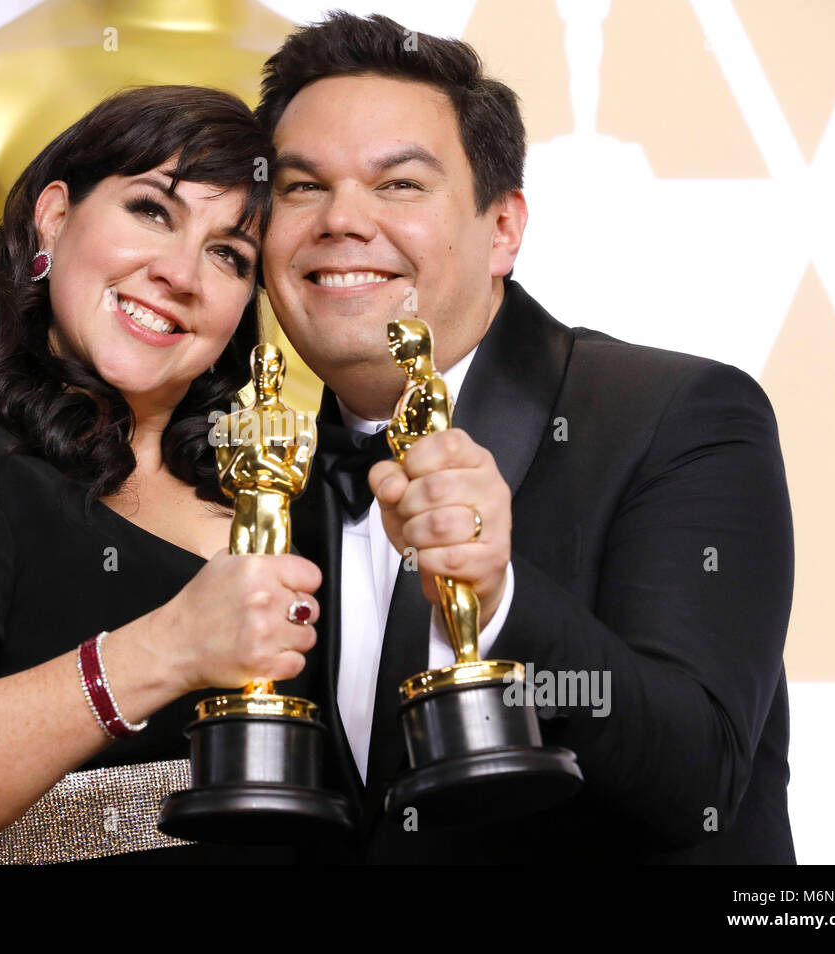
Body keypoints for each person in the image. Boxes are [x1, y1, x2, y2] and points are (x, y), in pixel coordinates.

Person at [256, 12, 795, 863]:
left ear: (503, 228)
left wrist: (496, 595)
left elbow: (699, 776)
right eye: (300, 187)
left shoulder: (679, 415)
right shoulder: (251, 471)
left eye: (398, 185)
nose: (340, 221)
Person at [0, 85, 324, 865]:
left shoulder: (289, 500)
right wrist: (171, 648)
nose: (180, 272)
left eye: (230, 254)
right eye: (152, 210)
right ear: (54, 217)